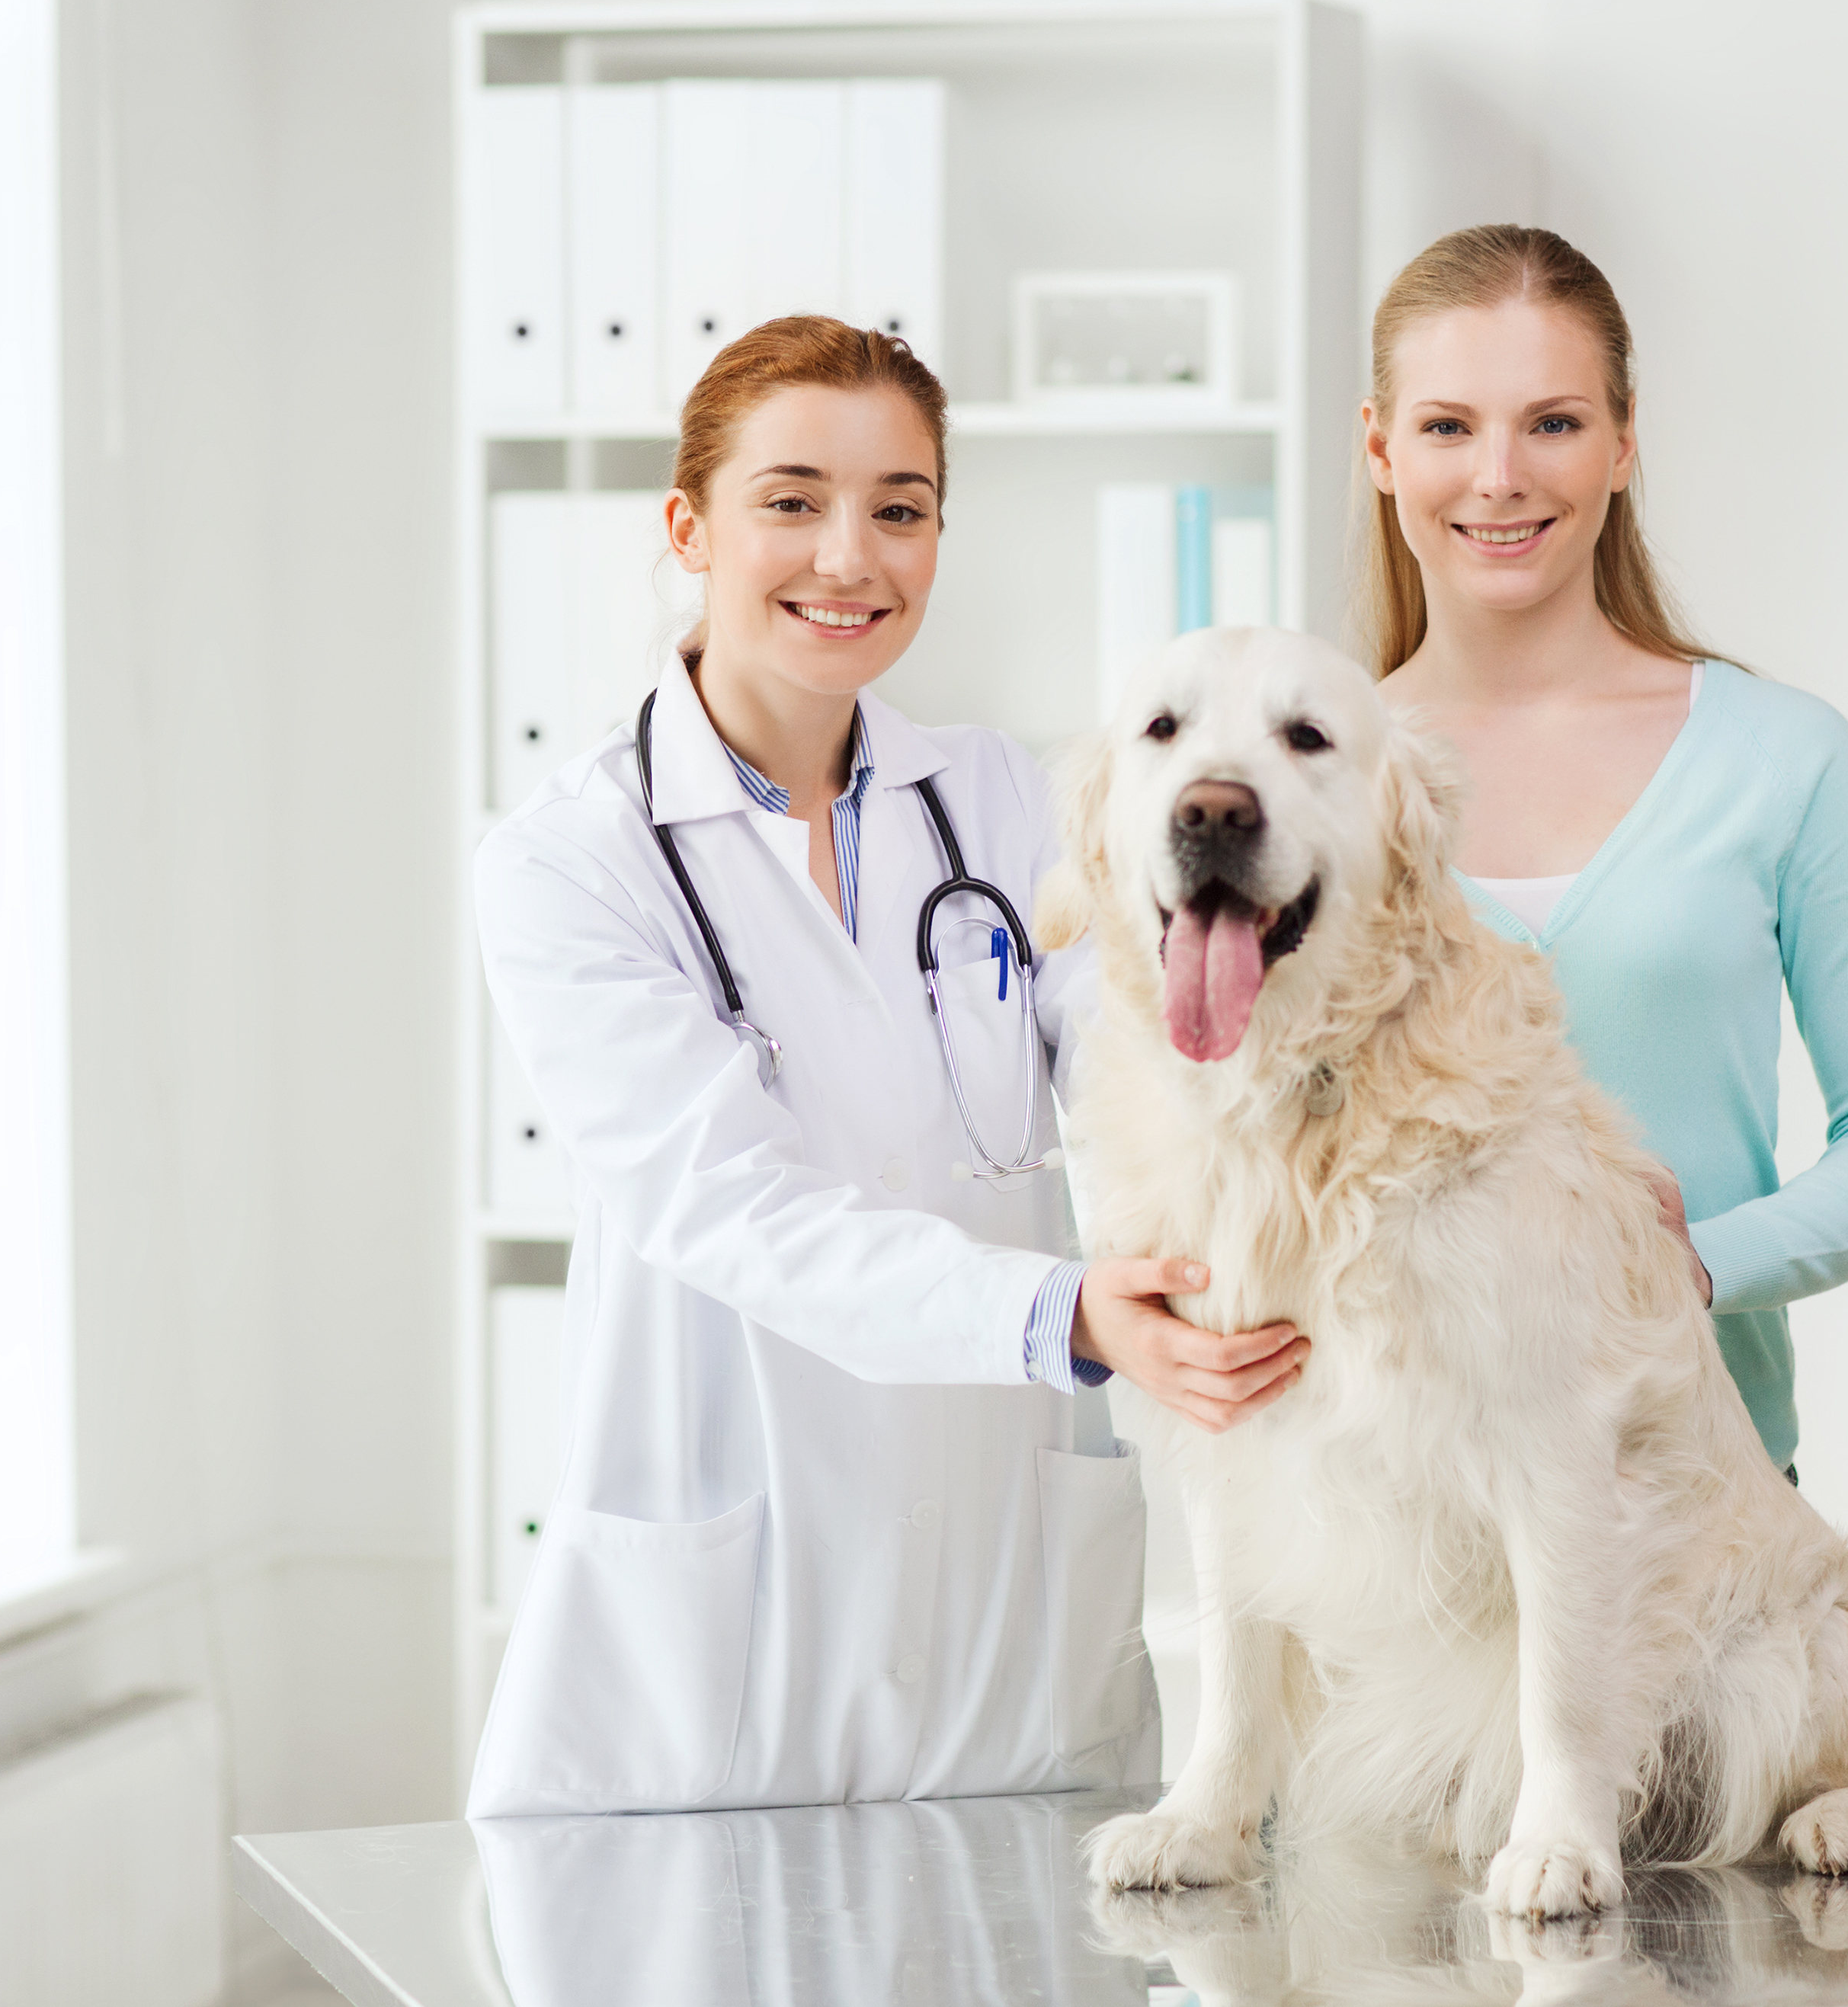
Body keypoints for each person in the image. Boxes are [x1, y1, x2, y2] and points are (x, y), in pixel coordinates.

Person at [468, 317, 1304, 1818]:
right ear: (687, 527)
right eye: (789, 500)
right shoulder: (568, 860)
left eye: (900, 508)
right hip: (725, 1645)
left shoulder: (993, 794)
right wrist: (1066, 1310)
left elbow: (1136, 1042)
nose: (848, 556)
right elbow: (735, 1207)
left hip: (1000, 1619)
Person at [1361, 227, 1848, 1479]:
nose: (1499, 475)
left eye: (1555, 424)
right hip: (1392, 1504)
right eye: (1447, 427)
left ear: (1625, 441)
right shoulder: (1306, 788)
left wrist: (1693, 1266)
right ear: (1380, 447)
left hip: (1700, 1488)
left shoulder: (1783, 758)